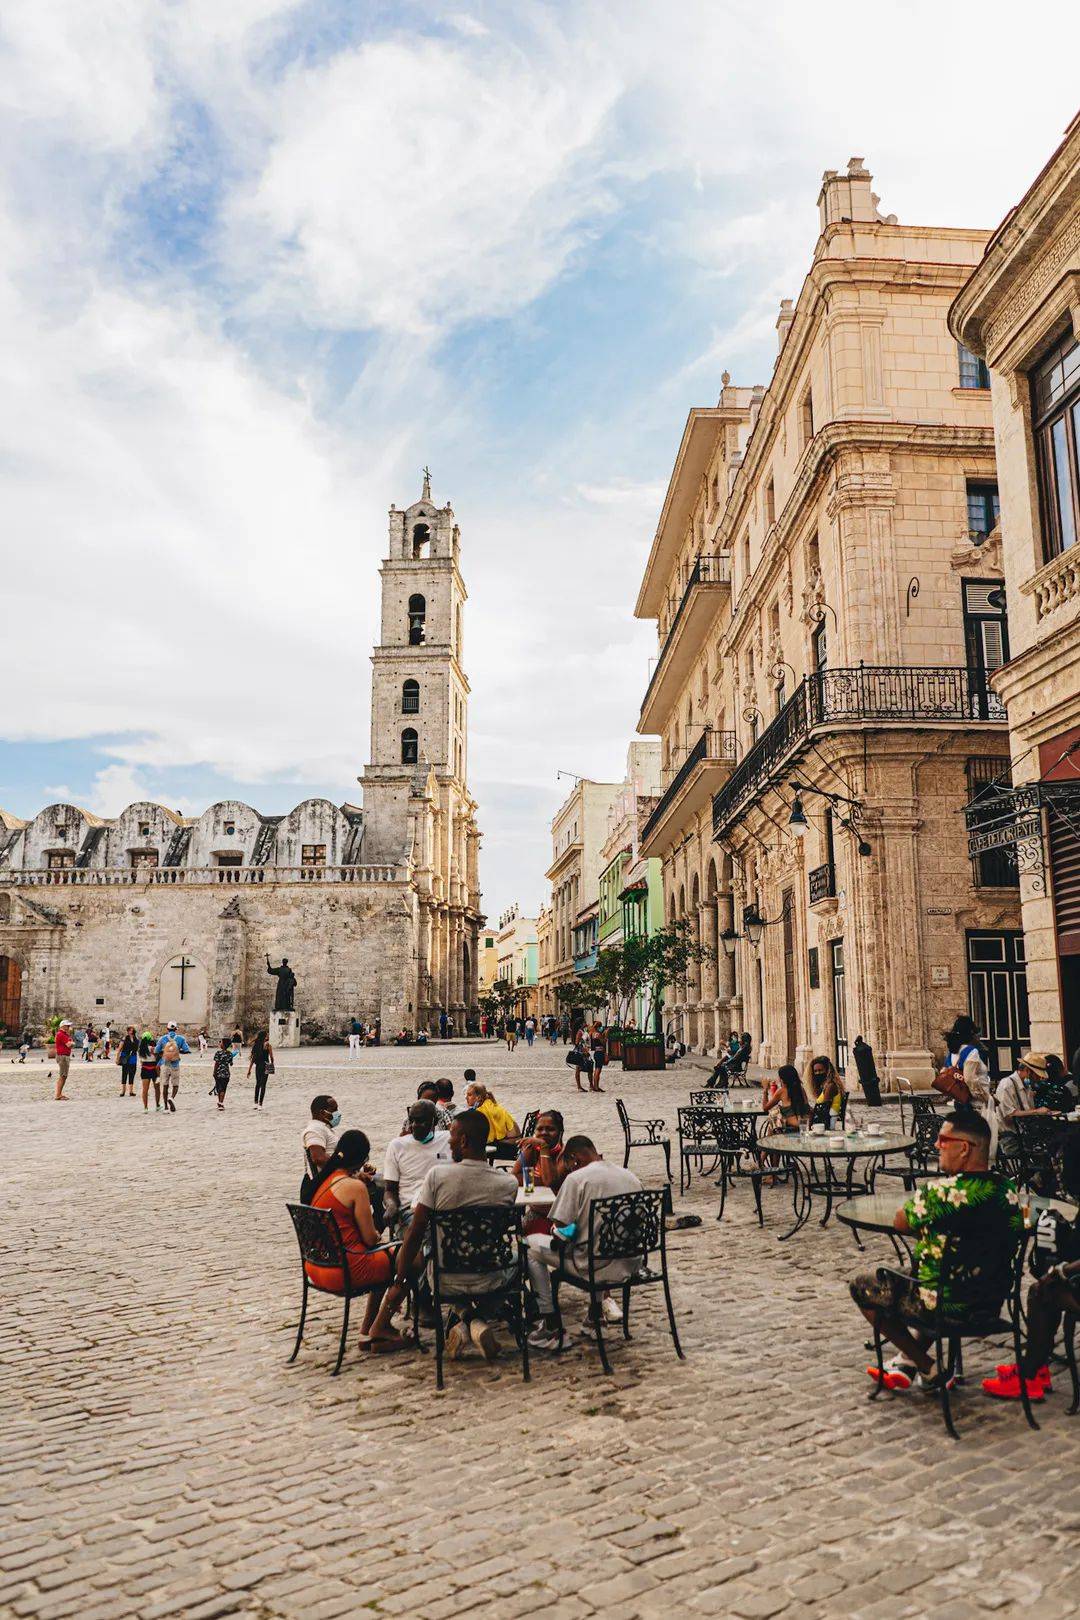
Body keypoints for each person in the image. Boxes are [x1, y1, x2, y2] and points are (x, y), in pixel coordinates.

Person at [849, 1109, 1022, 1394]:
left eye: (943, 1140)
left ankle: (927, 1366)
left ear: (963, 1148)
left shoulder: (940, 1193)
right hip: (990, 1301)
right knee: (932, 1280)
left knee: (864, 1286)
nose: (936, 1145)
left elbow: (901, 1222)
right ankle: (905, 1362)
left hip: (943, 1305)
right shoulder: (1007, 1190)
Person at [366, 1108, 518, 1357]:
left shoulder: (438, 1177)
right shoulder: (509, 1183)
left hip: (445, 1276)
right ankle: (477, 1320)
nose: (448, 1141)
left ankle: (467, 1319)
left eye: (453, 1136)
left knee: (422, 1254)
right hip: (492, 1274)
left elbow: (416, 1232)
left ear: (464, 1141)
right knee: (520, 1258)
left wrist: (400, 1276)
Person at [526, 1136, 646, 1352]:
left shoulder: (577, 1179)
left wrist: (558, 1231)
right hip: (630, 1262)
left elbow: (561, 1224)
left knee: (530, 1245)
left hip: (594, 1265)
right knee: (596, 1241)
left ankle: (550, 1323)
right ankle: (595, 1315)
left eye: (569, 1165)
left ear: (574, 1159)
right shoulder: (630, 1176)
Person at [304, 1131, 394, 1342]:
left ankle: (370, 1325)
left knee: (389, 1256)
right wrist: (379, 1235)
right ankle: (379, 1325)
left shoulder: (325, 1180)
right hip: (345, 1270)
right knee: (410, 1259)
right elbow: (370, 1239)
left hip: (316, 1268)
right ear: (362, 1160)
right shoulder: (355, 1188)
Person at [383, 1101, 452, 1231]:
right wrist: (391, 1205)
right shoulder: (397, 1146)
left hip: (444, 1208)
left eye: (420, 1121)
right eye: (411, 1121)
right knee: (428, 1230)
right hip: (411, 1211)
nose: (414, 1125)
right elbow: (390, 1189)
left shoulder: (449, 1140)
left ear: (435, 1121)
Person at [995, 1053, 1054, 1157]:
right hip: (1011, 1138)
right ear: (1027, 1070)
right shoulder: (1007, 1085)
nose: (1038, 1079)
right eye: (1037, 1075)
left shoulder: (1027, 1087)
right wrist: (1036, 1111)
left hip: (1025, 1135)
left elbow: (1028, 1110)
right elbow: (1009, 1115)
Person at [464, 1080, 519, 1147]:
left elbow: (487, 1139)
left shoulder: (482, 1111)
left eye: (469, 1095)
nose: (466, 1097)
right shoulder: (490, 1104)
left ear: (479, 1098)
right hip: (513, 1141)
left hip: (508, 1144)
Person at [762, 1065, 811, 1133]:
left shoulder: (782, 1091)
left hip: (791, 1127)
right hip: (805, 1125)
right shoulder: (801, 1089)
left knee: (774, 1115)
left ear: (782, 1079)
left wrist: (765, 1089)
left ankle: (770, 1138)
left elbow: (765, 1108)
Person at [302, 1095, 341, 1183]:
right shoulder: (315, 1129)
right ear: (322, 1113)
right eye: (334, 1110)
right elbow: (318, 1158)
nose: (338, 1113)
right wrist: (346, 1168)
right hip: (329, 1182)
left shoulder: (325, 1128)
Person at [154, 1022, 190, 1112]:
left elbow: (156, 1050)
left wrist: (164, 1052)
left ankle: (166, 1107)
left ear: (167, 1029)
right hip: (175, 1064)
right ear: (176, 1029)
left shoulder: (162, 1038)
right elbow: (187, 1050)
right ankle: (172, 1098)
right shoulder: (181, 1039)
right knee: (175, 1085)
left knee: (165, 1085)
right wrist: (177, 1051)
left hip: (165, 1064)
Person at [807, 1054, 845, 1120]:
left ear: (827, 1070)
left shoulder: (830, 1086)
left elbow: (824, 1110)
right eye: (815, 1071)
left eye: (820, 1070)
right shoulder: (824, 1086)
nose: (818, 1073)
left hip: (829, 1120)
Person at [852, 1035, 882, 1106]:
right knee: (872, 1088)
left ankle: (873, 1102)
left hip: (865, 1073)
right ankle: (874, 1102)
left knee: (870, 1088)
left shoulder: (859, 1049)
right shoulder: (865, 1047)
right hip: (870, 1072)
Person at [248, 1028, 274, 1110]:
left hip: (258, 1066)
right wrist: (272, 1064)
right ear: (264, 1036)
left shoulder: (256, 1045)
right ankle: (260, 1104)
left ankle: (255, 1103)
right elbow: (271, 1057)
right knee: (263, 1085)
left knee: (258, 1084)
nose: (268, 1036)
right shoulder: (268, 1045)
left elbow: (253, 1059)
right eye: (267, 1035)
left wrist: (249, 1070)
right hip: (266, 1065)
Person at [138, 1030, 160, 1110]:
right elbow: (157, 1058)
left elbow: (141, 1061)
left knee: (145, 1090)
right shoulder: (153, 1048)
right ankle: (157, 1105)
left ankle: (145, 1107)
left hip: (145, 1069)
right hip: (154, 1069)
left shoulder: (140, 1050)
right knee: (157, 1089)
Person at [54, 1020, 74, 1101]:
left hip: (64, 1056)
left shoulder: (64, 1034)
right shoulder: (61, 1034)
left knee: (64, 1076)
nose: (69, 1027)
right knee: (63, 1076)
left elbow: (70, 1043)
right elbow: (69, 1044)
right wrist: (72, 1043)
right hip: (63, 1056)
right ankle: (58, 1095)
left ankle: (59, 1094)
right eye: (67, 1026)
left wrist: (71, 1043)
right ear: (63, 1026)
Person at [211, 1038, 234, 1110]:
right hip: (226, 1073)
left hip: (218, 1072)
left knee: (219, 1087)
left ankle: (220, 1102)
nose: (220, 1043)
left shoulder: (218, 1053)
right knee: (223, 1088)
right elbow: (231, 1064)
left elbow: (216, 1063)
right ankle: (221, 1102)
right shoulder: (230, 1053)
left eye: (221, 1042)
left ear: (223, 1045)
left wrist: (214, 1072)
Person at [117, 1026, 138, 1097]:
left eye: (133, 1030)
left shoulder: (136, 1039)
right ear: (128, 1031)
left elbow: (137, 1049)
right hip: (125, 1057)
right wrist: (117, 1058)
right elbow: (119, 1048)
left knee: (132, 1074)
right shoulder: (124, 1038)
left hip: (133, 1058)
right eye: (130, 1030)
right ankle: (123, 1091)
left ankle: (131, 1091)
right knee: (124, 1073)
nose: (132, 1031)